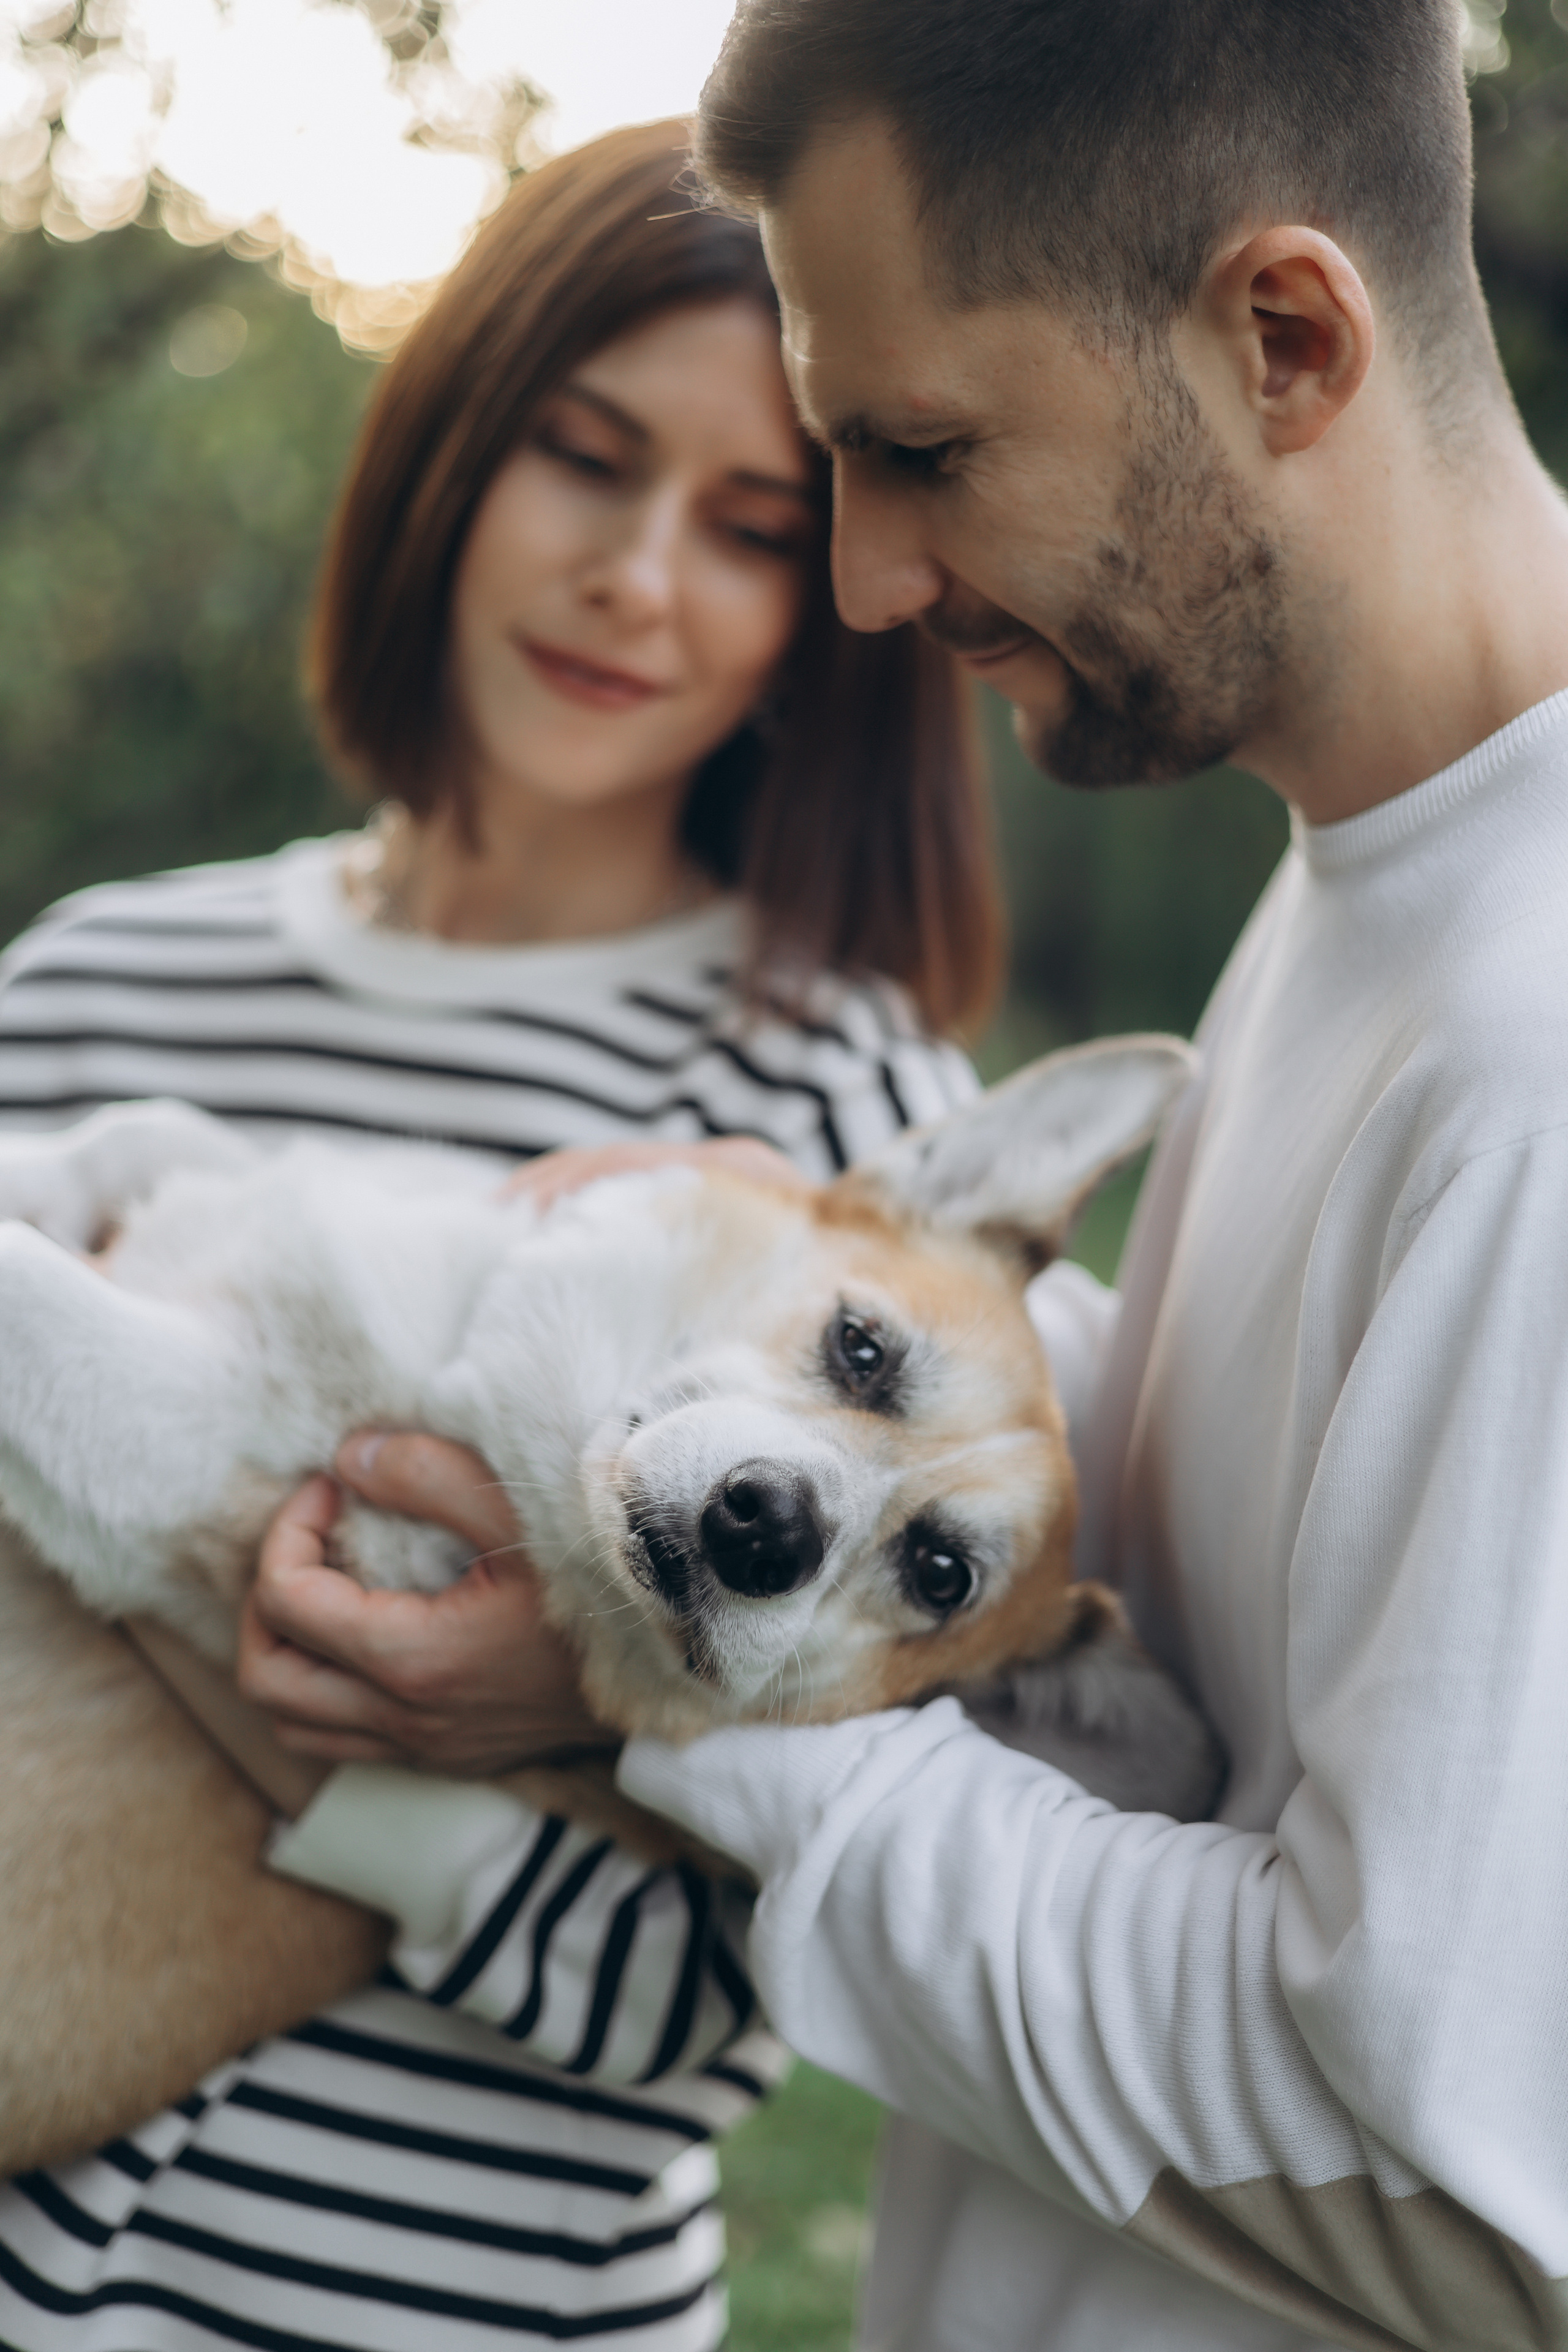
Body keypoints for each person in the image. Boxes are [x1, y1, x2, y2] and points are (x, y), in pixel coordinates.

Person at [240, 5, 1568, 2348]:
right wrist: (839, 1304)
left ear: (1282, 337)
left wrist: (712, 1686)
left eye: (918, 449)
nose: (859, 585)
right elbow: (1295, 1561)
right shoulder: (1379, 877)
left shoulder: (1538, 1037)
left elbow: (1456, 2179)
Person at [0, 118, 998, 2352]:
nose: (642, 574)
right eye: (585, 455)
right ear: (454, 437)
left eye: (754, 528)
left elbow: (738, 1994)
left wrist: (363, 1761)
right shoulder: (86, 990)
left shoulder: (834, 1155)